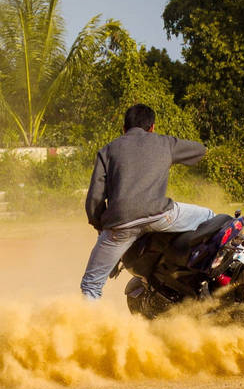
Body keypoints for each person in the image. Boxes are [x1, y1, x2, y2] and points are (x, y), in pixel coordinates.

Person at [80, 104, 215, 300]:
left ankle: (88, 329)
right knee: (209, 217)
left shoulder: (107, 151)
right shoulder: (164, 142)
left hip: (120, 226)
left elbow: (95, 198)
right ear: (152, 127)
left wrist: (100, 226)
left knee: (91, 285)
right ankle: (205, 269)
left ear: (124, 128)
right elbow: (200, 150)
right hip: (163, 215)